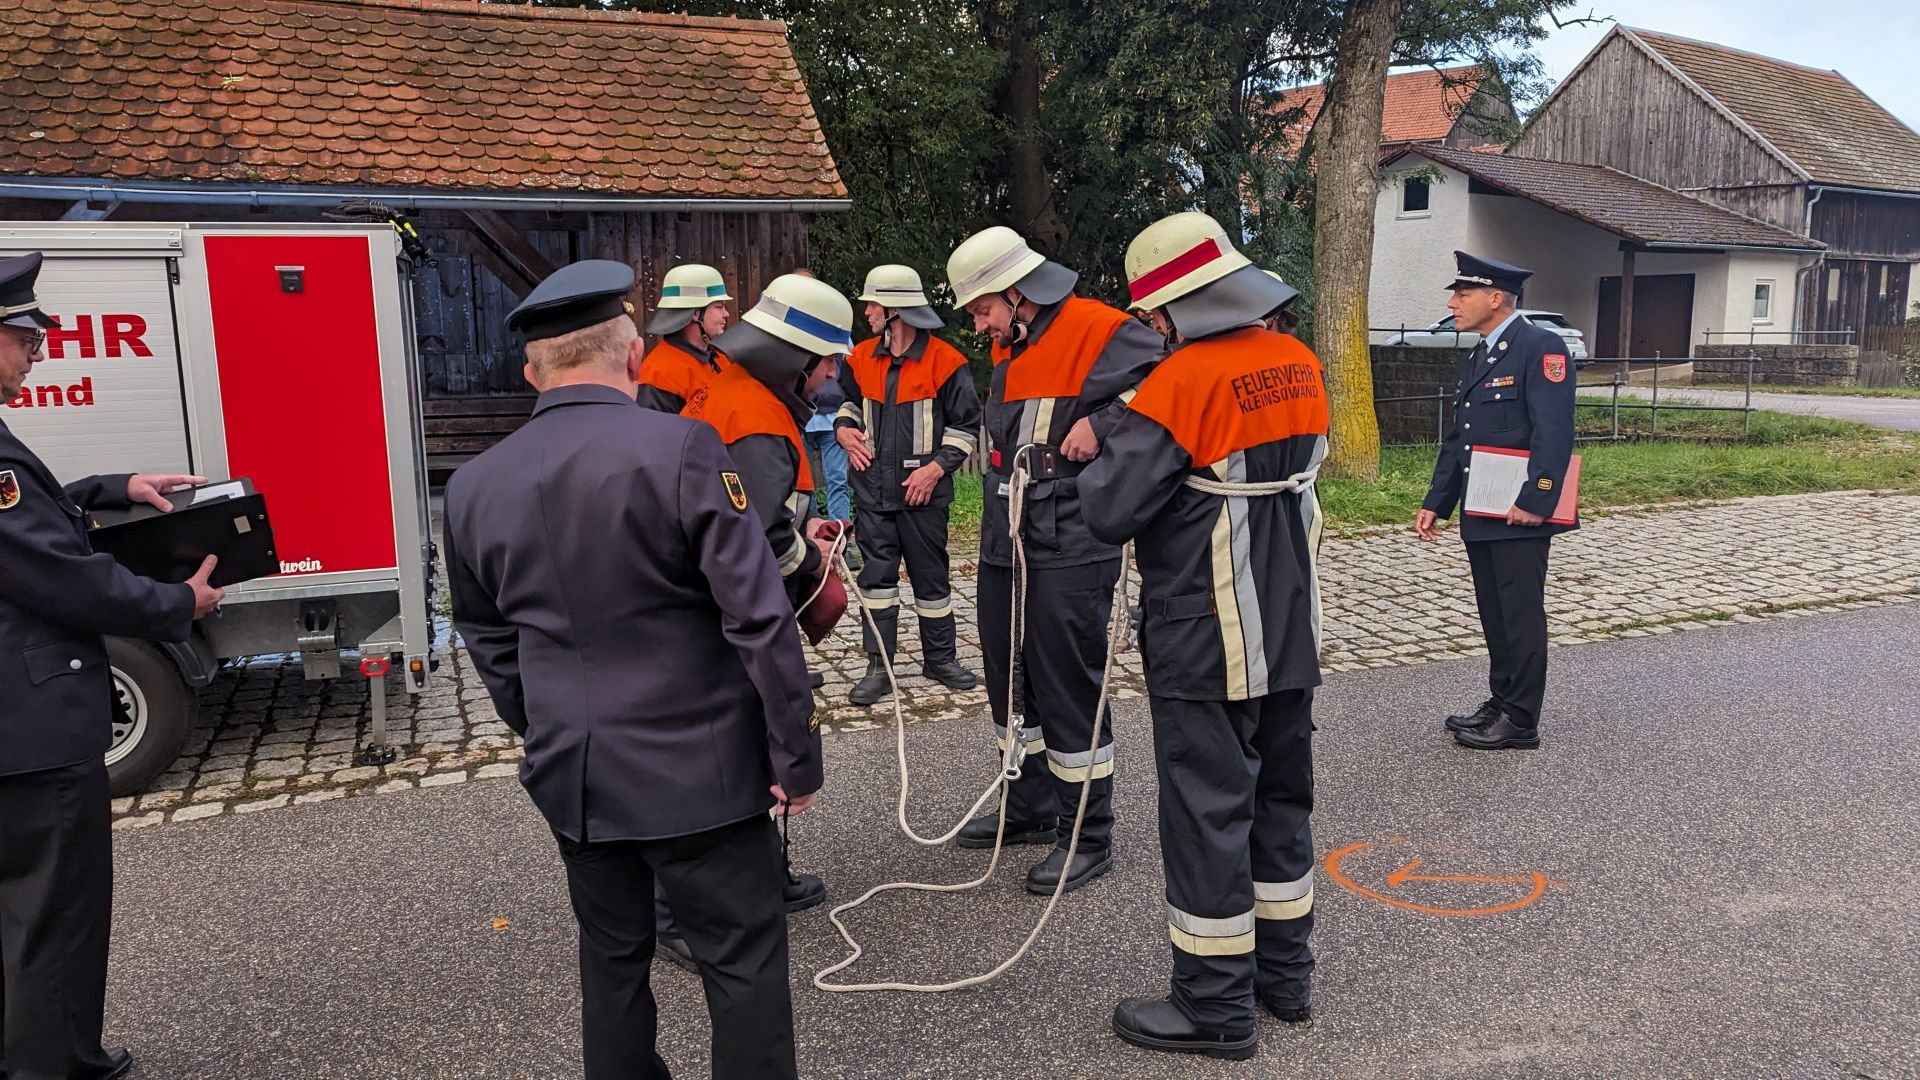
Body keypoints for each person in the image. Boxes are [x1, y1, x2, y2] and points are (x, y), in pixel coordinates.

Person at [442, 259, 822, 1080]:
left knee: (612, 966)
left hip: (577, 777)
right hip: (703, 774)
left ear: (532, 372)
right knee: (743, 968)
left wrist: (548, 723)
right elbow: (758, 616)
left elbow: (487, 636)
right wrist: (795, 752)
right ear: (634, 356)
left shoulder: (472, 486)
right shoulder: (684, 448)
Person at [1080, 213, 1328, 1059]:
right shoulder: (1299, 361)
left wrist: (1115, 425)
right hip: (1291, 627)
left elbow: (1110, 508)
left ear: (1177, 307)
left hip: (1205, 634)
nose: (1152, 329)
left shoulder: (1181, 381)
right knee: (1280, 804)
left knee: (1205, 815)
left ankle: (1214, 1005)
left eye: (1153, 316)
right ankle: (1284, 978)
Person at [0, 251, 224, 1080]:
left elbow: (32, 525)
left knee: (24, 910)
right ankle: (53, 1064)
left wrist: (109, 486)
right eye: (27, 336)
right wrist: (179, 604)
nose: (39, 353)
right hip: (33, 732)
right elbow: (59, 576)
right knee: (55, 909)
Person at [945, 226, 1163, 893]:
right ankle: (1031, 804)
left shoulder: (1101, 328)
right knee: (1009, 678)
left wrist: (1104, 422)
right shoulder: (1013, 344)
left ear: (1017, 292)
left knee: (1066, 686)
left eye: (983, 309)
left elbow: (1172, 380)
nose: (979, 325)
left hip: (1071, 538)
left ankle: (1087, 834)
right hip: (1006, 534)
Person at [699, 272, 858, 915]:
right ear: (796, 360)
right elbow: (760, 537)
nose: (832, 377)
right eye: (828, 364)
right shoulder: (759, 420)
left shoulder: (732, 394)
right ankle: (740, 889)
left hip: (713, 610)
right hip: (737, 618)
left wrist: (803, 529)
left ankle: (762, 870)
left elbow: (756, 514)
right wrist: (814, 560)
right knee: (743, 751)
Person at [1415, 251, 1578, 751]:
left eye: (1462, 295)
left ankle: (1521, 719)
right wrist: (1438, 501)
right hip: (1482, 506)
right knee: (1495, 612)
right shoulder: (1479, 355)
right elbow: (1460, 437)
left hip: (1520, 510)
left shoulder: (1540, 347)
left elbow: (1554, 431)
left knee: (1520, 615)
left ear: (1495, 298)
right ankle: (1503, 700)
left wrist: (1538, 499)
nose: (1452, 304)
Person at [836, 264, 983, 705]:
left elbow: (966, 427)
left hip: (924, 496)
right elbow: (846, 403)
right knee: (876, 583)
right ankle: (879, 667)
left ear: (894, 311)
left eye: (873, 304)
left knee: (931, 580)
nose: (867, 311)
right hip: (872, 492)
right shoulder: (860, 357)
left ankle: (940, 659)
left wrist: (935, 469)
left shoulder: (946, 361)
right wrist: (844, 431)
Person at [636, 263, 731, 418]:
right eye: (719, 306)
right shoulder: (659, 375)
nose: (726, 314)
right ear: (695, 313)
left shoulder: (719, 358)